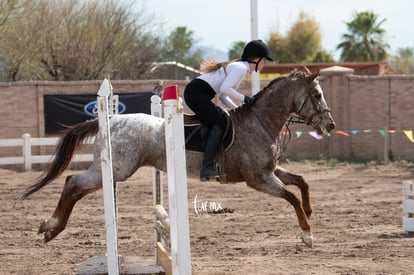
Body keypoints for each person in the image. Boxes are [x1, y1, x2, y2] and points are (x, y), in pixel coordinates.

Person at [184, 39, 273, 181]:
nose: (265, 64)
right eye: (264, 61)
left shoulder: (241, 69)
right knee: (219, 124)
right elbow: (226, 88)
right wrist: (246, 99)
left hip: (198, 93)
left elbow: (224, 96)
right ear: (256, 59)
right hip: (196, 93)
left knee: (220, 121)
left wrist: (239, 110)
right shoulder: (240, 68)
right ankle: (206, 167)